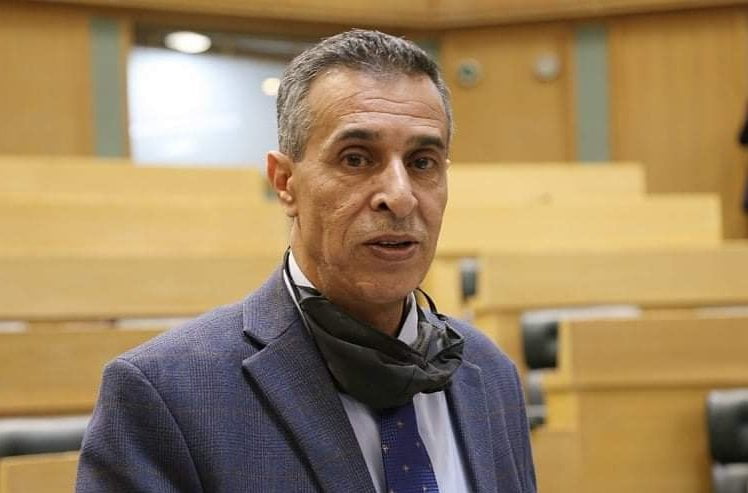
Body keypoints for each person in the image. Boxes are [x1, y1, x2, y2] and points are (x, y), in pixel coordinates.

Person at [76, 29, 536, 493]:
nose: (400, 197)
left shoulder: (490, 374)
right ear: (285, 182)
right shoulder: (166, 395)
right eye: (356, 159)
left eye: (422, 162)